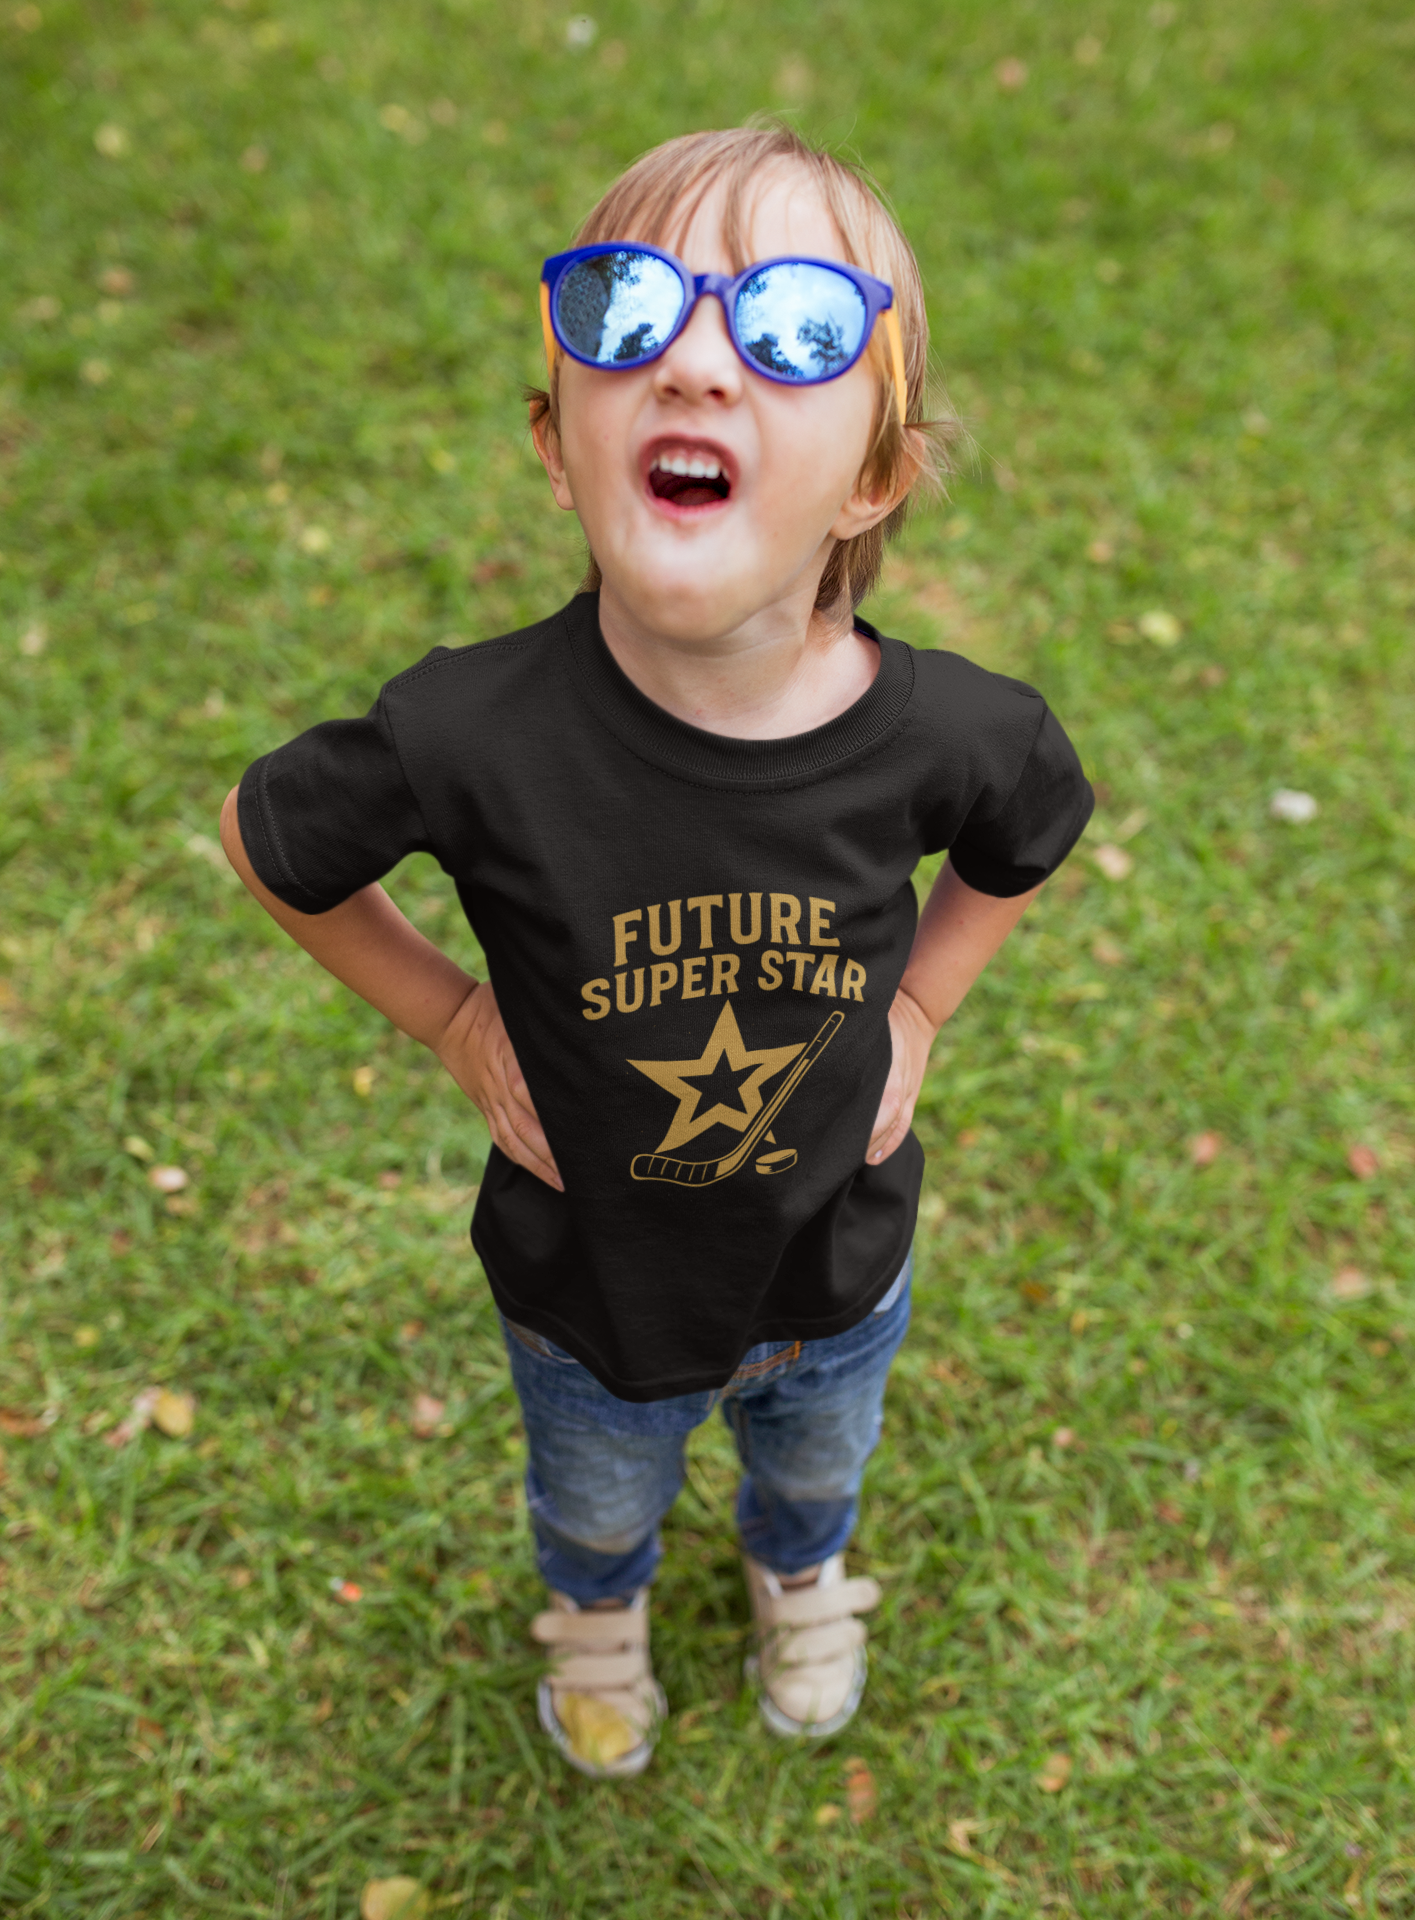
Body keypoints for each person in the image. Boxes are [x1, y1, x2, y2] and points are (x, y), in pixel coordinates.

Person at [219, 125, 1093, 1780]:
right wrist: (453, 1022)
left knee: (816, 1463)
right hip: (583, 1295)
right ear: (560, 442)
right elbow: (271, 845)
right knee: (595, 1492)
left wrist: (918, 1007)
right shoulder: (466, 732)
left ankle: (802, 1571)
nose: (696, 358)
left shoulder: (955, 732)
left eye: (798, 327)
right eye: (629, 306)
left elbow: (1024, 844)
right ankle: (601, 1614)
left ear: (876, 471)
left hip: (838, 1268)